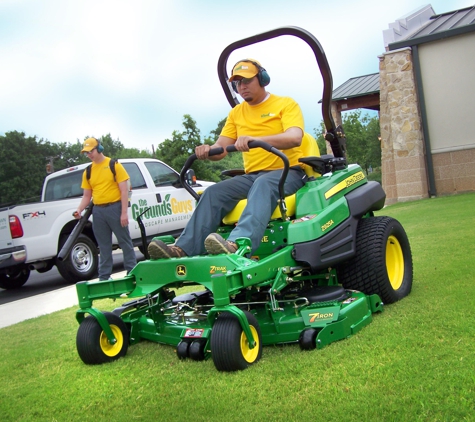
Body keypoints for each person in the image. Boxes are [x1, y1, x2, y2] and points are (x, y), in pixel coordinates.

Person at [148, 58, 307, 259]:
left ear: (262, 79)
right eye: (238, 83)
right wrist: (208, 150)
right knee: (213, 192)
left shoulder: (286, 104)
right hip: (254, 177)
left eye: (247, 81)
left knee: (263, 184)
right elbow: (221, 148)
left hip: (288, 172)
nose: (242, 87)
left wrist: (255, 139)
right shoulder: (236, 113)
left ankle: (238, 244)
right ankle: (182, 249)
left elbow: (294, 137)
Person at [74, 137, 137, 280]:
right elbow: (86, 196)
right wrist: (79, 210)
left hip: (115, 207)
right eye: (86, 153)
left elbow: (124, 191)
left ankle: (132, 272)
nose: (89, 155)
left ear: (99, 149)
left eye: (91, 151)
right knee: (103, 246)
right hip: (98, 211)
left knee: (124, 242)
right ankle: (104, 277)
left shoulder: (114, 165)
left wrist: (123, 213)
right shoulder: (88, 171)